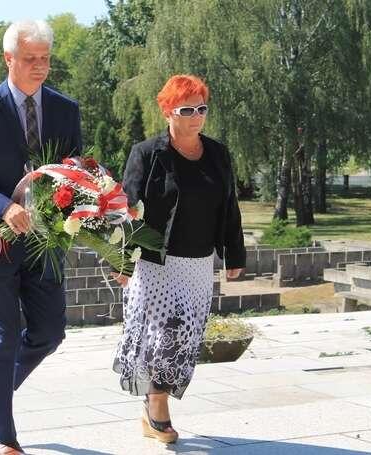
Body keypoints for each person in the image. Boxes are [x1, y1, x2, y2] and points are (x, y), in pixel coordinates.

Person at [0, 20, 82, 455]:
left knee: (50, 333)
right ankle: (2, 437)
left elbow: (74, 172)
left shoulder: (65, 109)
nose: (39, 66)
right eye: (29, 59)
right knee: (3, 336)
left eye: (45, 58)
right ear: (9, 59)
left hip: (46, 243)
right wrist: (3, 206)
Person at [112, 74, 245, 444]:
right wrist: (122, 261)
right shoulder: (147, 153)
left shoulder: (217, 153)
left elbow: (229, 205)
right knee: (163, 337)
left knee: (185, 337)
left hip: (199, 263)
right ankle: (157, 408)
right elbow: (128, 208)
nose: (196, 116)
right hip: (156, 263)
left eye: (201, 108)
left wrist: (234, 253)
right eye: (187, 110)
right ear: (168, 112)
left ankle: (151, 407)